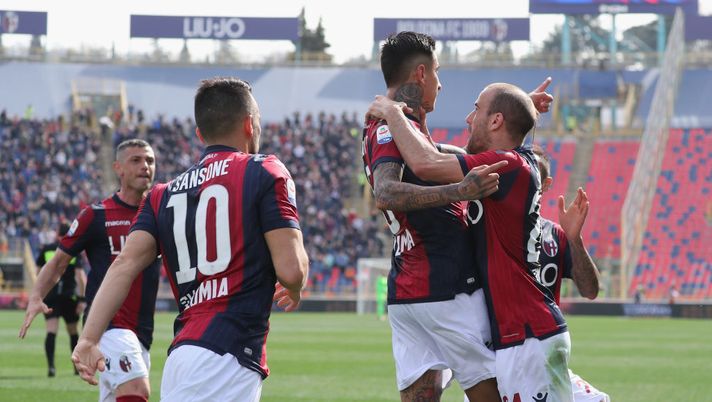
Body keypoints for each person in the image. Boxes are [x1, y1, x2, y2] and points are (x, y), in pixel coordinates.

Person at [72, 77, 310, 402]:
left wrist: (88, 338)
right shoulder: (265, 170)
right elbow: (291, 271)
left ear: (200, 134)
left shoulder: (160, 195)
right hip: (229, 355)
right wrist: (295, 286)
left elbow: (124, 265)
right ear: (249, 124)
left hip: (182, 355)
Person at [368, 82, 573, 401]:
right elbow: (441, 154)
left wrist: (393, 114)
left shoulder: (507, 165)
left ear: (496, 121)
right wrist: (520, 109)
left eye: (476, 109)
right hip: (516, 335)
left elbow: (426, 163)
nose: (467, 118)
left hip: (531, 334)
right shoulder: (505, 163)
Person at [363, 31, 507, 402]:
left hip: (410, 291)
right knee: (497, 390)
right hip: (445, 286)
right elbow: (386, 191)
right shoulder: (392, 126)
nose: (441, 85)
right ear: (422, 74)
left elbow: (453, 156)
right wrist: (458, 193)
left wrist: (519, 118)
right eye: (438, 73)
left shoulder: (404, 125)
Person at [20, 139, 160, 402]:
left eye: (150, 160)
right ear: (118, 168)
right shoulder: (97, 215)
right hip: (109, 327)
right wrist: (37, 295)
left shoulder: (160, 214)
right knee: (137, 391)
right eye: (136, 160)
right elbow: (59, 261)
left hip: (142, 332)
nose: (145, 166)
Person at [35, 221, 87, 377]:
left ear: (57, 233)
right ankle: (77, 368)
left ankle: (51, 367)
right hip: (69, 297)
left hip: (51, 296)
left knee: (51, 331)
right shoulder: (74, 250)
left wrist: (39, 295)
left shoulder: (46, 249)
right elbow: (81, 278)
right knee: (73, 332)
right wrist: (82, 299)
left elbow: (38, 274)